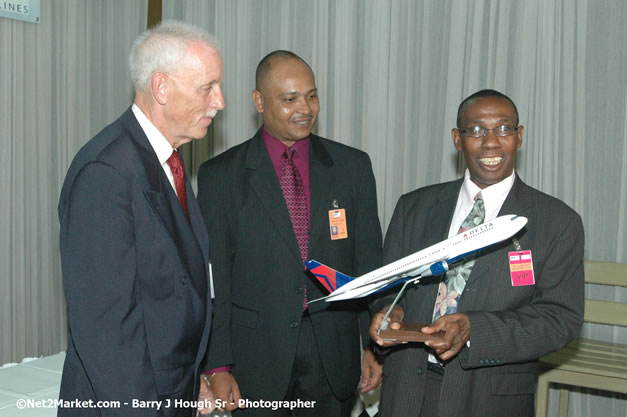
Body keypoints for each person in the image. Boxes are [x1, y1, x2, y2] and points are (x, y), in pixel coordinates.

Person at [369, 89, 584, 417]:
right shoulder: (414, 207)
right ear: (457, 139)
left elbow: (560, 319)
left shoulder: (556, 221)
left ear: (519, 136)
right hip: (407, 390)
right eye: (477, 131)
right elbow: (386, 287)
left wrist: (475, 330)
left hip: (489, 396)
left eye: (503, 129)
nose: (491, 142)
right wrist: (389, 311)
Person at [196, 50, 383, 416]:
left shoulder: (352, 168)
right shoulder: (221, 176)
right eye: (289, 99)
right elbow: (214, 277)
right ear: (259, 101)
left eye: (311, 95)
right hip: (255, 358)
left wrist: (372, 348)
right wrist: (217, 365)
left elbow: (368, 266)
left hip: (333, 354)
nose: (305, 108)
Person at [57, 21, 224, 417]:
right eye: (207, 87)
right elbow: (109, 333)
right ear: (162, 87)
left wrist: (192, 379)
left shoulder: (165, 159)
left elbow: (170, 296)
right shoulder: (107, 171)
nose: (220, 101)